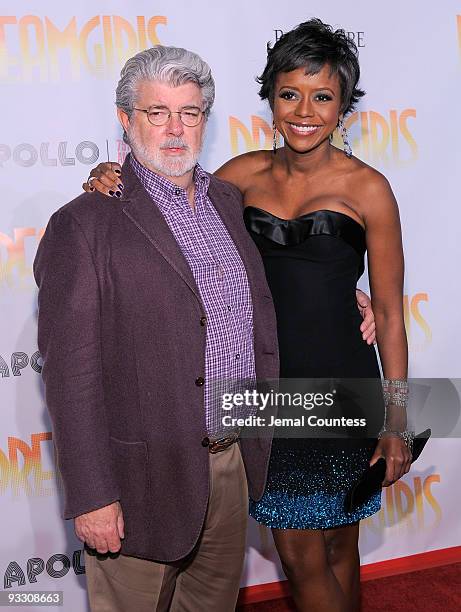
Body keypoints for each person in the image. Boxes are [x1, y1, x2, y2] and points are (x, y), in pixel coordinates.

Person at [79, 23, 409, 612]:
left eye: (323, 96)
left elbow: (387, 309)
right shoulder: (236, 178)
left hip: (346, 385)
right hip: (267, 396)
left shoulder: (370, 189)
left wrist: (397, 419)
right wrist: (111, 177)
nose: (305, 111)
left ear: (344, 106)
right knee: (300, 553)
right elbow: (164, 209)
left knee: (341, 541)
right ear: (271, 100)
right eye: (289, 94)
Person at [34, 46, 282, 612]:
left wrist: (354, 295)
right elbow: (72, 377)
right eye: (156, 112)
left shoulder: (228, 200)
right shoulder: (85, 223)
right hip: (139, 480)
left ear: (205, 120)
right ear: (126, 120)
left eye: (189, 113)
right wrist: (94, 496)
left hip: (230, 463)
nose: (175, 128)